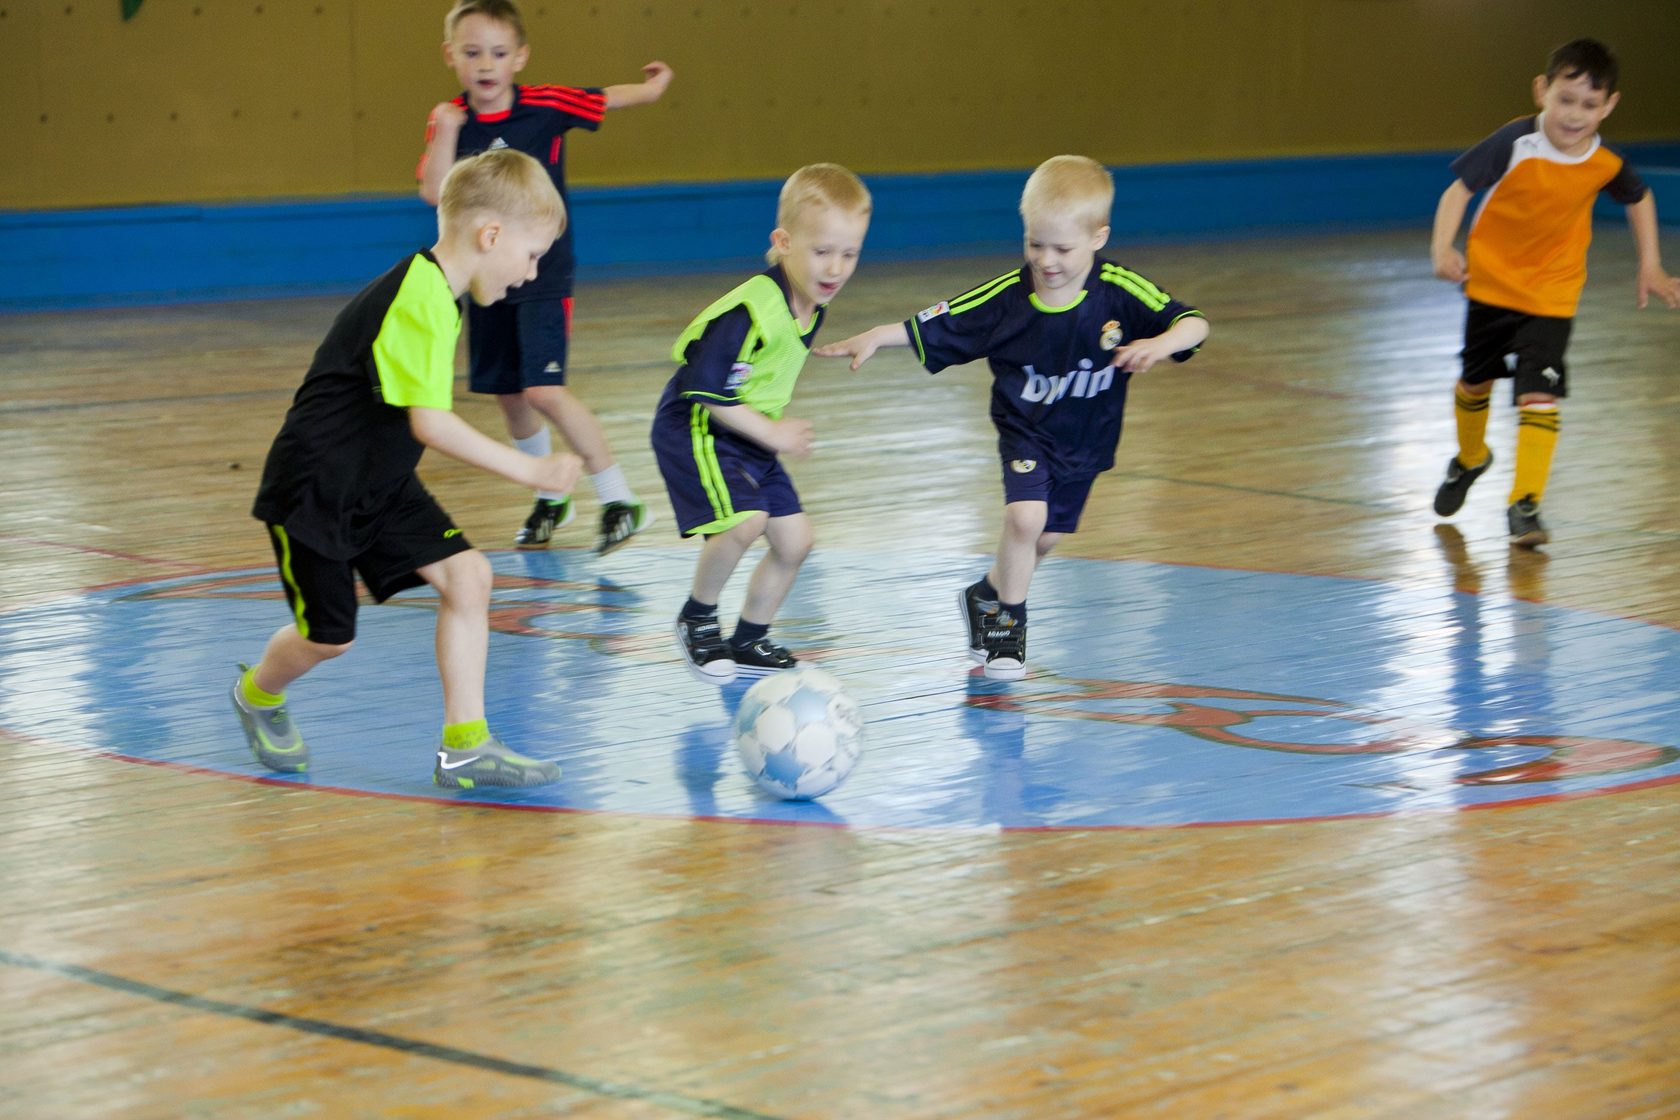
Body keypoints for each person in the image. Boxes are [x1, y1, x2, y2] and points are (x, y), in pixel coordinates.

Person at [232, 148, 582, 789]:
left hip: (380, 481)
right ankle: (257, 694)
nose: (532, 275)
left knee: (470, 577)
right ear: (491, 235)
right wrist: (530, 473)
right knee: (328, 637)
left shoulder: (439, 296)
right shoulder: (418, 296)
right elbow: (431, 423)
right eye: (532, 256)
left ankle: (465, 747)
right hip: (315, 488)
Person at [817, 155, 1209, 681]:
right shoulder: (1006, 298)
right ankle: (1007, 630)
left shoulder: (1120, 289)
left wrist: (1162, 343)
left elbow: (1194, 322)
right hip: (1025, 433)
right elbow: (940, 320)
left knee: (1043, 539)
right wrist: (876, 336)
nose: (1046, 260)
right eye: (1034, 244)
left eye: (1062, 248)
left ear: (1098, 237)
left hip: (1085, 443)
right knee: (1025, 520)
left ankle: (985, 594)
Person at [418, 0, 672, 553]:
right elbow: (434, 193)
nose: (486, 64)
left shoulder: (545, 105)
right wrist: (444, 132)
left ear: (520, 57)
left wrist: (651, 90)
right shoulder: (451, 121)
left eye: (499, 53)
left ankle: (617, 497)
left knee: (544, 389)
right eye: (472, 52)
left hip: (542, 273)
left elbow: (605, 98)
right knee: (508, 393)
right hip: (484, 279)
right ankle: (549, 496)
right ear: (450, 57)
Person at [1429, 37, 1680, 547]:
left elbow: (1639, 197)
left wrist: (1650, 264)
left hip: (1552, 294)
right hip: (1492, 286)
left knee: (1538, 394)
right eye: (1566, 100)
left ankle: (1525, 505)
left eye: (1590, 105)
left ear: (1609, 106)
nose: (1575, 115)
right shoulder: (1514, 142)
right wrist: (1442, 249)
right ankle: (1471, 458)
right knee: (1476, 383)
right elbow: (1459, 191)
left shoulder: (1606, 162)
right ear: (1542, 91)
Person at [651, 164, 873, 684]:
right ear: (784, 242)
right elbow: (702, 390)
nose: (836, 267)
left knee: (796, 541)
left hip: (747, 433)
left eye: (850, 253)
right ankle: (698, 616)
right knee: (743, 522)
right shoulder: (750, 309)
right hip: (698, 425)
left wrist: (765, 432)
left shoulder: (811, 301)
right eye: (823, 252)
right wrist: (773, 433)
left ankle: (749, 638)